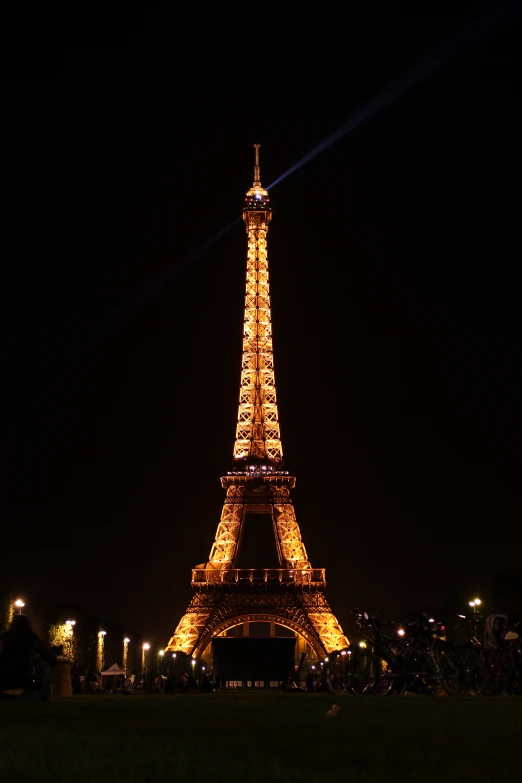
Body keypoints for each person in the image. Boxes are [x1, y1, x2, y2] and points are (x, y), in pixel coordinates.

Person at [0, 614, 57, 700]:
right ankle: (44, 697)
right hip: (24, 685)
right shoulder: (32, 639)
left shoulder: (4, 638)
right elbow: (50, 659)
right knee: (46, 665)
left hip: (3, 686)